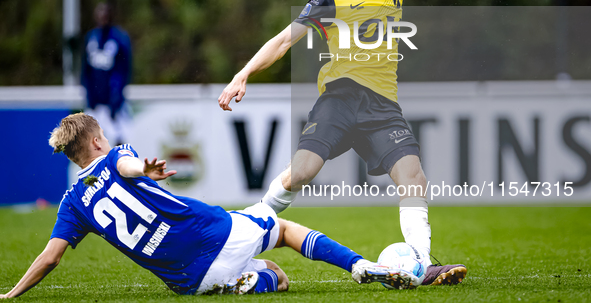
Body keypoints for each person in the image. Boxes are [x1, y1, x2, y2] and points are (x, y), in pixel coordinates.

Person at [218, 0, 467, 286]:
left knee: (414, 178)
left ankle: (423, 263)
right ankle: (240, 235)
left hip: (383, 106)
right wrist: (243, 74)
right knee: (300, 173)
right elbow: (286, 39)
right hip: (340, 98)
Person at [0, 113, 419, 299]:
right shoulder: (116, 155)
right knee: (284, 229)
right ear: (95, 143)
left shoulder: (73, 203)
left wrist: (12, 293)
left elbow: (50, 258)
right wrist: (141, 166)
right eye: (103, 138)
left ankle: (244, 280)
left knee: (279, 277)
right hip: (214, 234)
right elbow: (125, 166)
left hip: (187, 281)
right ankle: (363, 267)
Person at [81, 1, 132, 145]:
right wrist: (89, 95)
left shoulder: (120, 39)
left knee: (118, 138)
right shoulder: (91, 38)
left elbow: (124, 70)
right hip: (95, 102)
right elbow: (86, 70)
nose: (103, 18)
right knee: (90, 141)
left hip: (114, 102)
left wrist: (117, 95)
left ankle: (118, 166)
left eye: (106, 14)